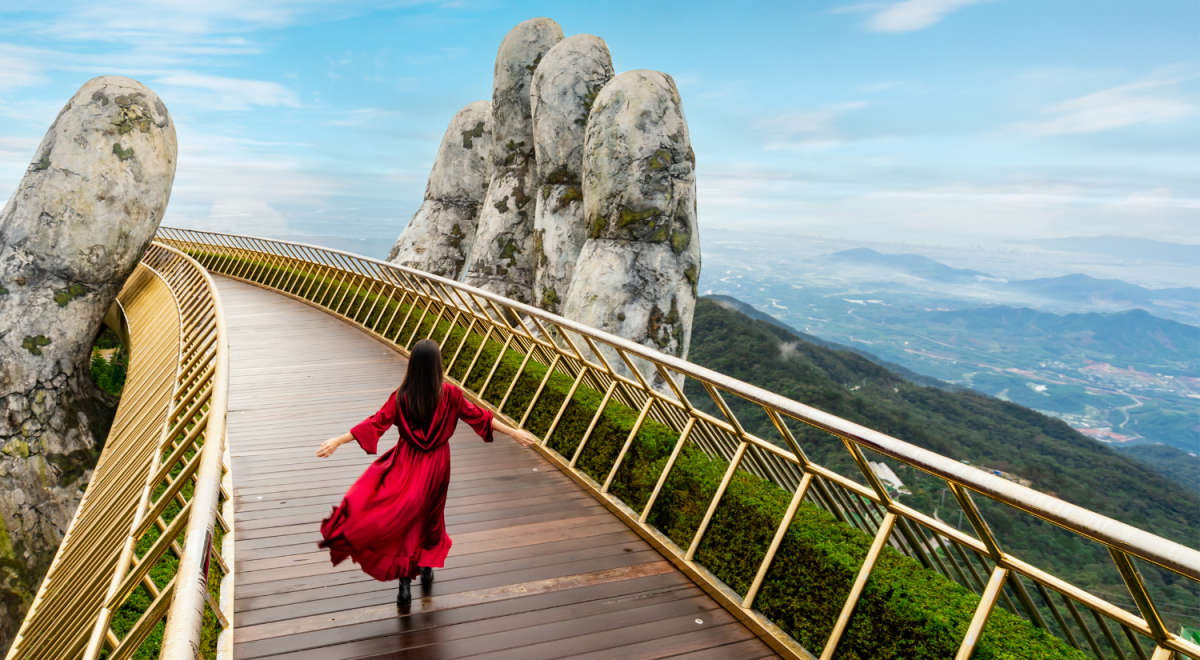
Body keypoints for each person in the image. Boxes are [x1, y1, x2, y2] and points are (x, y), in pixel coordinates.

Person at [316, 339, 537, 607]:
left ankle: (405, 585)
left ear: (413, 365)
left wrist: (339, 440)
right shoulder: (451, 395)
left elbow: (376, 422)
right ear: (437, 366)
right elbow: (481, 417)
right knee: (431, 517)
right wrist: (515, 432)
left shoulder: (401, 396)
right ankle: (427, 565)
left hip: (406, 461)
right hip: (438, 465)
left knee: (405, 518)